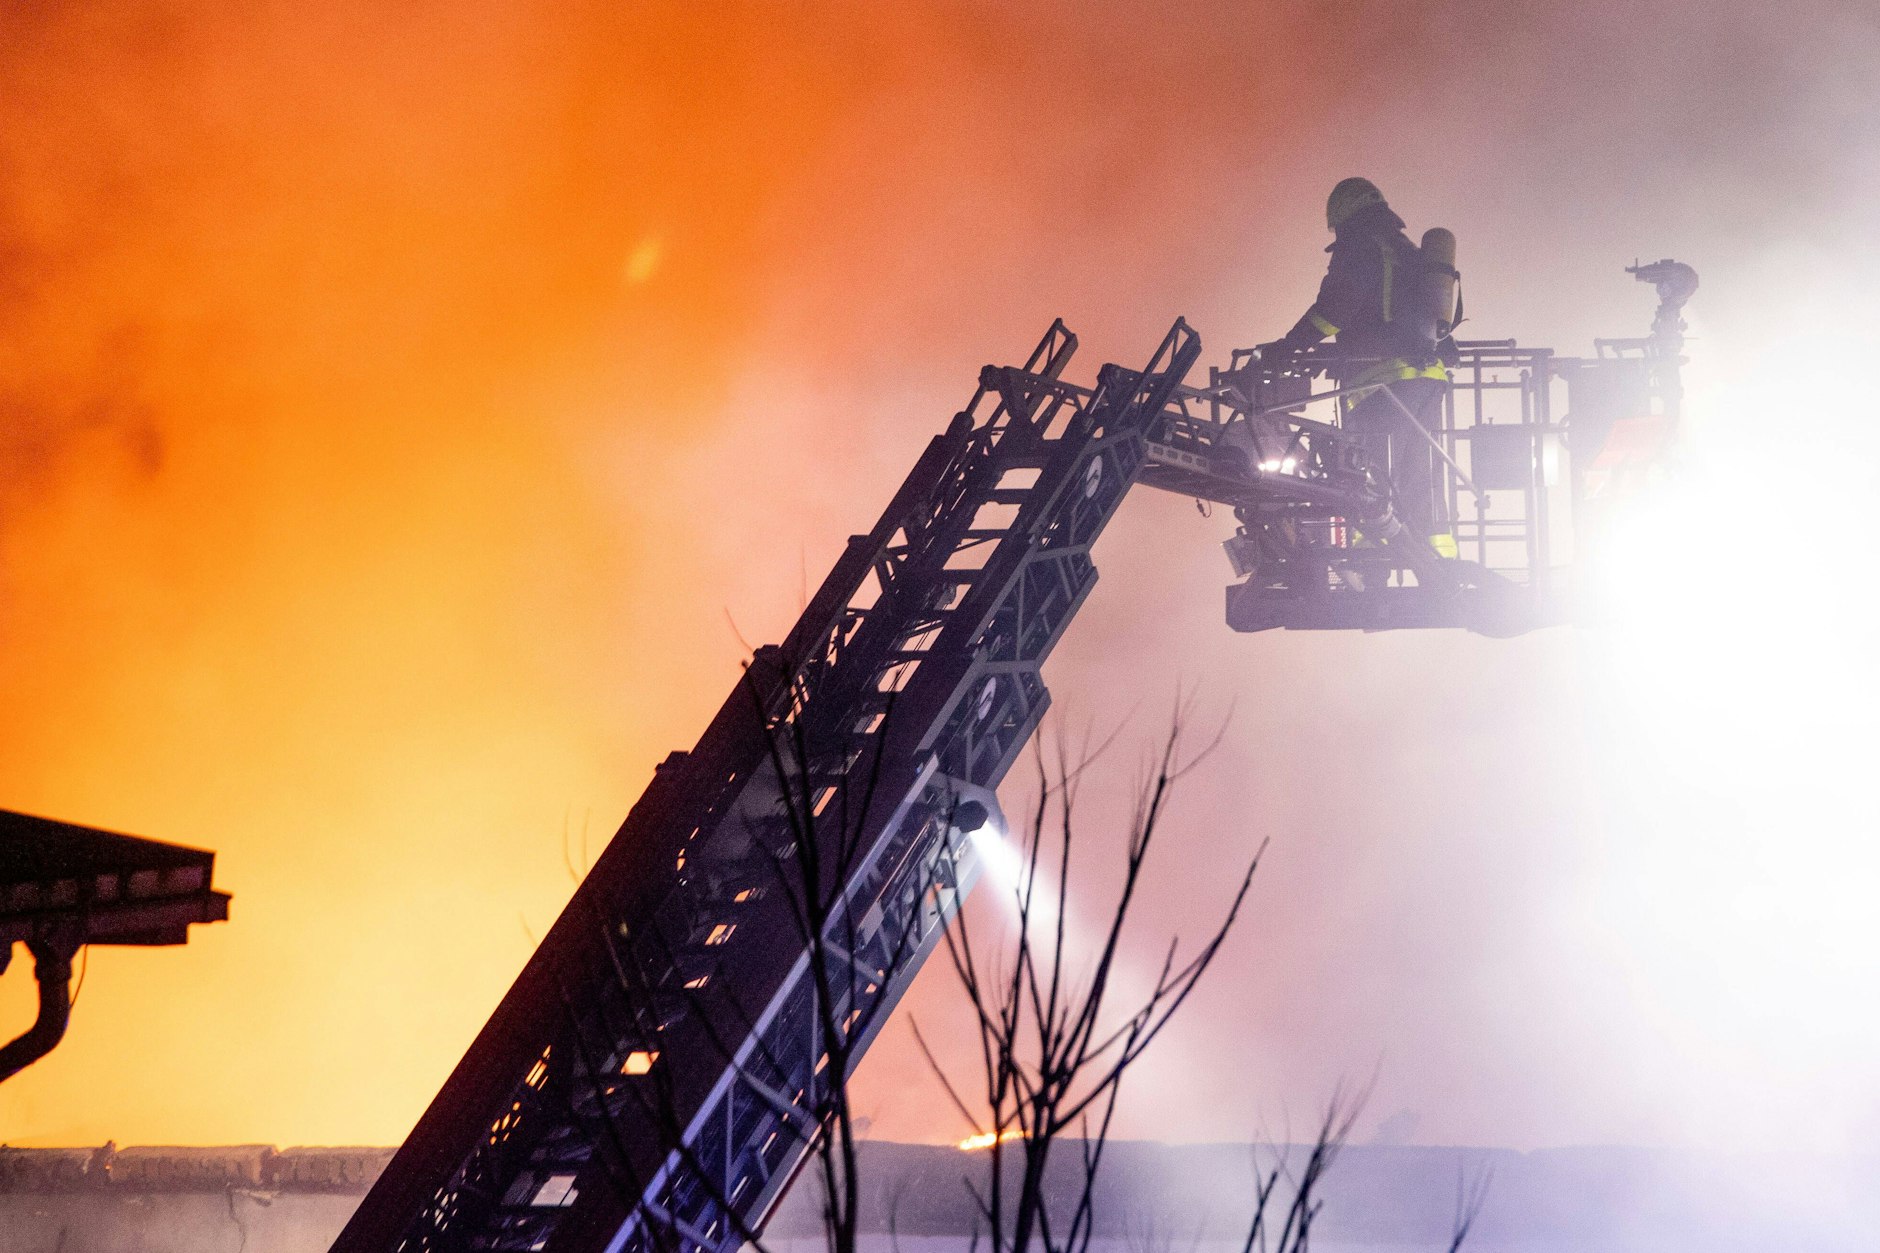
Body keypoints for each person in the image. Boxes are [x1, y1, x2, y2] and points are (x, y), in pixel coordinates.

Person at [1258, 177, 1458, 558]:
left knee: (1369, 474)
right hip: (1426, 379)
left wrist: (1288, 348)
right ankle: (1438, 557)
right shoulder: (1407, 251)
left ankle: (1373, 559)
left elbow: (1333, 310)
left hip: (1380, 383)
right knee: (1421, 469)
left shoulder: (1360, 247)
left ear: (1343, 217)